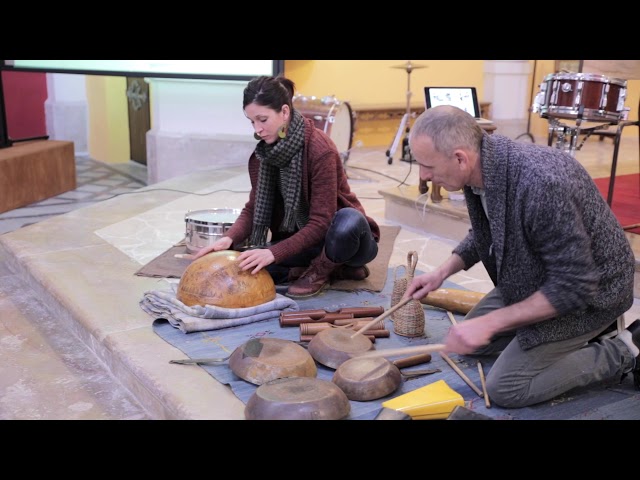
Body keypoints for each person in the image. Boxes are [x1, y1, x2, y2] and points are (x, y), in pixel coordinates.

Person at [403, 105, 639, 408]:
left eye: (427, 166)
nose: (424, 175)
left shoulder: (540, 184)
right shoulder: (483, 168)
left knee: (506, 388)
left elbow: (574, 287)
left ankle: (624, 349)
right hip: (536, 278)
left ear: (460, 158)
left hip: (593, 295)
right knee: (471, 344)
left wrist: (492, 322)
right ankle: (557, 338)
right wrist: (440, 273)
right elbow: (486, 232)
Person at [191, 75, 380, 298]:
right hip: (307, 242)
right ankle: (337, 269)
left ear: (284, 112)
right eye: (252, 122)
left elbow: (322, 222)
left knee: (348, 220)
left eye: (263, 119)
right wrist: (229, 238)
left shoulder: (320, 150)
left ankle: (320, 271)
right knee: (246, 264)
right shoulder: (263, 155)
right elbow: (253, 209)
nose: (257, 129)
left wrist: (275, 252)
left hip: (345, 239)